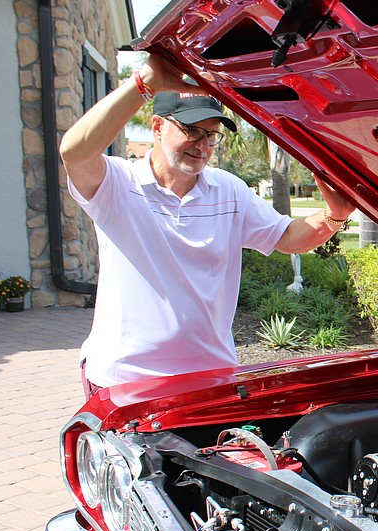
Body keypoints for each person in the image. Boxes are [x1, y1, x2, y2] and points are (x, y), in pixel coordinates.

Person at [60, 54, 355, 395]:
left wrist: (335, 216)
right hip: (126, 379)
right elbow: (75, 153)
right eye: (191, 131)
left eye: (211, 136)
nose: (202, 146)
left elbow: (288, 238)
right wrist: (143, 83)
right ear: (157, 127)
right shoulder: (117, 183)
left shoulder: (228, 190)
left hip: (210, 377)